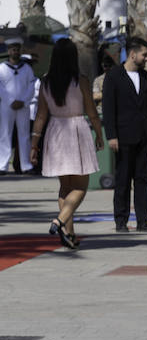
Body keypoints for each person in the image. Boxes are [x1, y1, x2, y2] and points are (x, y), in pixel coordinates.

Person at [28, 38, 102, 248]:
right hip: (76, 130)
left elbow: (41, 116)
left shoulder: (46, 81)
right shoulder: (81, 80)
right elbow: (92, 112)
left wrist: (34, 145)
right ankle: (59, 221)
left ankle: (69, 234)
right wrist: (99, 134)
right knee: (80, 186)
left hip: (55, 131)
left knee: (65, 186)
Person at [103, 37, 147, 231]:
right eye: (144, 55)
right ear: (132, 54)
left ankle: (143, 221)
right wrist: (111, 135)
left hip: (144, 135)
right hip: (123, 136)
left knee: (143, 179)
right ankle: (121, 221)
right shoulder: (114, 76)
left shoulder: (146, 77)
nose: (146, 59)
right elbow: (109, 108)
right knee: (123, 179)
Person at [1, 37, 37, 173]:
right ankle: (2, 165)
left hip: (23, 106)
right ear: (8, 51)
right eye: (12, 50)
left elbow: (32, 86)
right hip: (6, 107)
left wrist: (23, 100)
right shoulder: (2, 68)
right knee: (5, 134)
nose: (15, 52)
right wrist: (11, 101)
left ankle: (26, 165)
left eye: (17, 50)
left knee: (24, 135)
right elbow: (0, 87)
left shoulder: (27, 68)